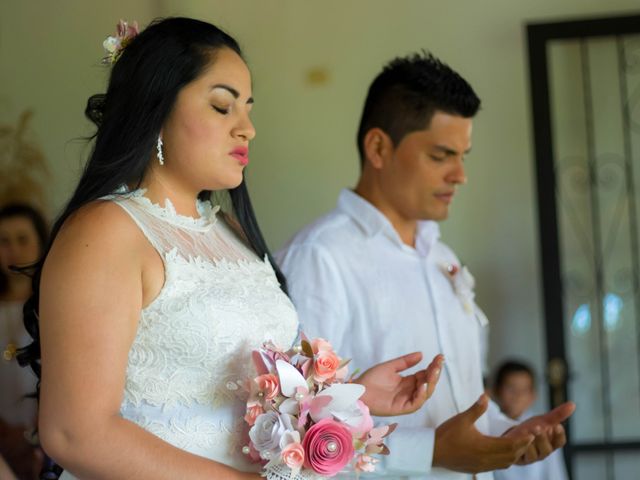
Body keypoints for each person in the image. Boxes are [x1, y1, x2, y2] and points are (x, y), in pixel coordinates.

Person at [16, 18, 444, 480]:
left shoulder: (229, 230)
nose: (248, 129)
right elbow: (75, 433)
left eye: (248, 109)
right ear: (155, 108)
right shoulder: (105, 231)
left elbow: (230, 402)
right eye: (222, 106)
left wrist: (351, 395)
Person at [276, 52, 575, 479]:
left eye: (463, 155)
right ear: (379, 147)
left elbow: (461, 407)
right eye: (441, 155)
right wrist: (430, 451)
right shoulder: (320, 258)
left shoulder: (443, 259)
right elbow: (297, 432)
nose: (460, 174)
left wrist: (509, 436)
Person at [0, 203, 48, 480]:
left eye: (22, 238)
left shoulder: (52, 304)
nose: (12, 249)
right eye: (3, 241)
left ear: (40, 242)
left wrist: (33, 435)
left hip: (45, 437)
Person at [492, 361, 569, 480]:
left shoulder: (543, 429)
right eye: (511, 389)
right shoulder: (487, 427)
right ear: (497, 391)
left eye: (524, 390)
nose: (517, 396)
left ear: (533, 395)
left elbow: (555, 474)